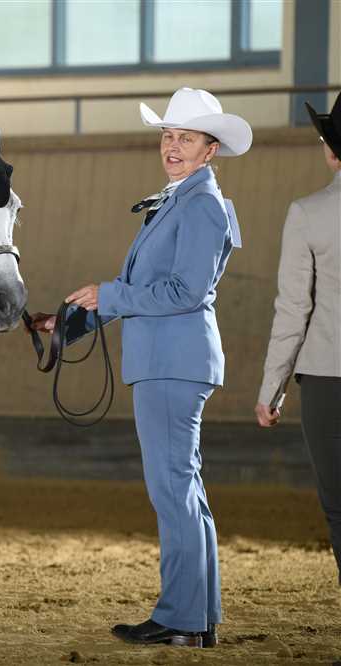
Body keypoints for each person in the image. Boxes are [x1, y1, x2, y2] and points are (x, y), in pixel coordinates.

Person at [29, 88, 251, 648]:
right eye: (168, 136)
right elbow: (143, 291)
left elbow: (184, 292)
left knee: (173, 492)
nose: (172, 146)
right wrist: (71, 322)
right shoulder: (180, 201)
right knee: (184, 491)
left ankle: (181, 618)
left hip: (172, 363)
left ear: (210, 150)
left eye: (186, 138)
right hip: (170, 360)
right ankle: (198, 616)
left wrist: (108, 294)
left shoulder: (199, 205)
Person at [255, 92, 341, 584]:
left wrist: (272, 388)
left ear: (332, 150)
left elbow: (294, 309)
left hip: (328, 379)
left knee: (340, 509)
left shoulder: (308, 212)